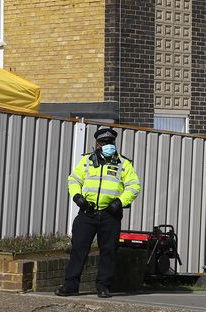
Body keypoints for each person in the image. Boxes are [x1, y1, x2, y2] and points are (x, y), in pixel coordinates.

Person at [55, 127, 141, 298]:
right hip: (88, 212)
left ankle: (103, 286)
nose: (108, 145)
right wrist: (78, 197)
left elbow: (134, 186)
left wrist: (119, 202)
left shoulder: (123, 163)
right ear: (97, 144)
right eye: (104, 142)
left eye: (111, 142)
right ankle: (70, 285)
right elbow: (74, 179)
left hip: (111, 214)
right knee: (79, 249)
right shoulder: (86, 161)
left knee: (109, 251)